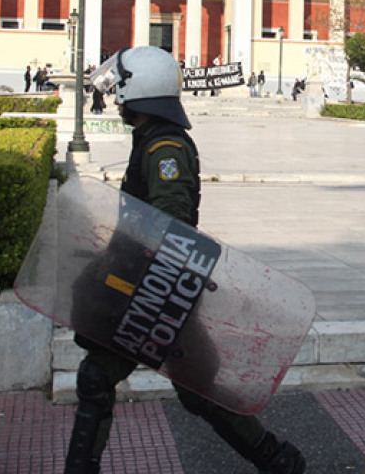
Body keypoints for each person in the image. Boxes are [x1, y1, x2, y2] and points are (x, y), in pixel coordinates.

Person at [63, 46, 305, 474]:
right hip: (148, 285)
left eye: (121, 89)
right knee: (122, 380)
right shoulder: (151, 140)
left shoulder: (165, 149)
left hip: (155, 288)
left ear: (140, 90)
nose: (116, 97)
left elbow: (171, 222)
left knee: (168, 385)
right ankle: (277, 460)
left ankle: (277, 459)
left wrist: (138, 276)